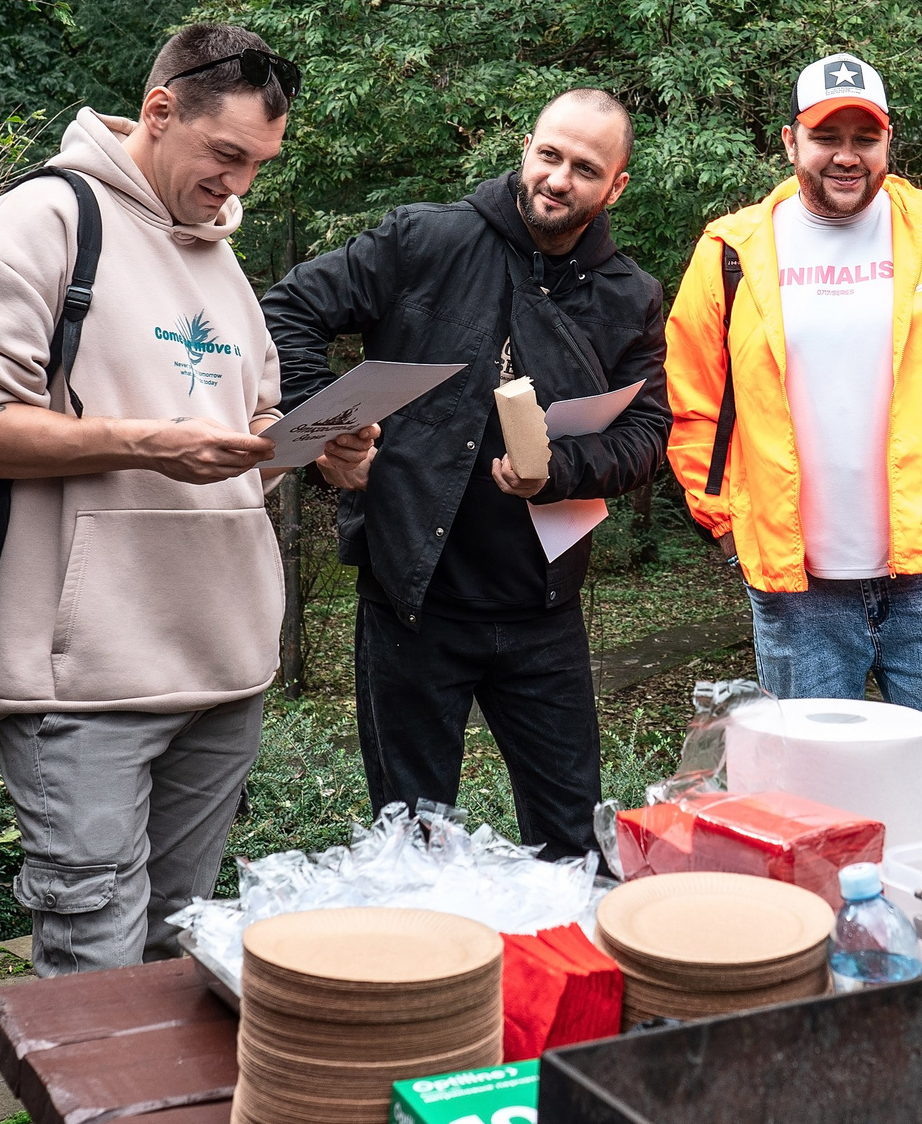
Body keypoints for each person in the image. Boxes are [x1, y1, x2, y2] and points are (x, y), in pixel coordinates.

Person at [0, 24, 370, 1124]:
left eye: (258, 163)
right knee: (95, 984)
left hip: (224, 662)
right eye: (223, 154)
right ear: (157, 109)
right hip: (86, 671)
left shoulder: (222, 259)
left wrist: (316, 444)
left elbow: (244, 428)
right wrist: (149, 440)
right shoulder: (47, 223)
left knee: (173, 960)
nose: (239, 184)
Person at [261, 89, 670, 860]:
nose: (559, 179)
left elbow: (650, 433)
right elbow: (289, 310)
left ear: (616, 186)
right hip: (414, 598)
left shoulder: (630, 296)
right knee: (413, 845)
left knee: (575, 844)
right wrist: (326, 429)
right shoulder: (427, 240)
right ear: (526, 148)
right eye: (550, 155)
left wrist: (557, 470)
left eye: (586, 168)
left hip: (541, 608)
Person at [664, 52, 922, 786]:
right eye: (828, 135)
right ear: (790, 141)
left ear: (887, 142)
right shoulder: (731, 251)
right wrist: (728, 525)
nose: (847, 155)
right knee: (808, 797)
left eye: (866, 137)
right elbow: (692, 399)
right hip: (797, 589)